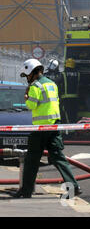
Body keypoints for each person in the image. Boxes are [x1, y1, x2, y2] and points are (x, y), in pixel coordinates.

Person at [14, 58, 81, 198]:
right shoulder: (52, 84)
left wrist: (26, 96)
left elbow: (31, 106)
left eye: (27, 75)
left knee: (32, 160)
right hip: (54, 126)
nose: (27, 78)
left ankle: (26, 191)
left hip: (40, 129)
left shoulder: (35, 87)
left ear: (32, 72)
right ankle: (74, 186)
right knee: (58, 158)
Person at [58, 58, 80, 124]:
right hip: (75, 97)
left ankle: (69, 130)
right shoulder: (78, 73)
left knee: (66, 113)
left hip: (65, 97)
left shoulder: (63, 74)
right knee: (74, 113)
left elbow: (57, 83)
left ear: (66, 65)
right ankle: (73, 128)